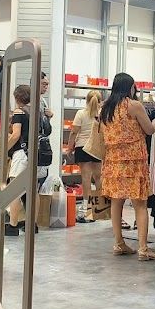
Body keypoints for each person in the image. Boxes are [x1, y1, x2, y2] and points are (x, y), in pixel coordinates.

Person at [100, 73, 155, 261]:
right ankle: (143, 249)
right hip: (133, 161)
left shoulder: (105, 107)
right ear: (130, 87)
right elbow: (149, 130)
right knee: (140, 204)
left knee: (116, 201)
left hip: (113, 161)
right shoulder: (134, 105)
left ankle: (119, 243)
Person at [4, 84, 45, 233]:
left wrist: (4, 150)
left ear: (17, 98)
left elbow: (15, 135)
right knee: (33, 190)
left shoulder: (19, 112)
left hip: (22, 154)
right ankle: (32, 225)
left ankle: (13, 225)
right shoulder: (37, 112)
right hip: (36, 154)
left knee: (15, 189)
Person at [66, 90, 102, 223]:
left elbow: (74, 132)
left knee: (86, 179)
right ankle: (100, 209)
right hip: (97, 148)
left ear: (86, 100)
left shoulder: (81, 113)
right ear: (100, 101)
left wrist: (70, 147)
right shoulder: (102, 114)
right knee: (99, 178)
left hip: (83, 147)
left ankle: (86, 210)